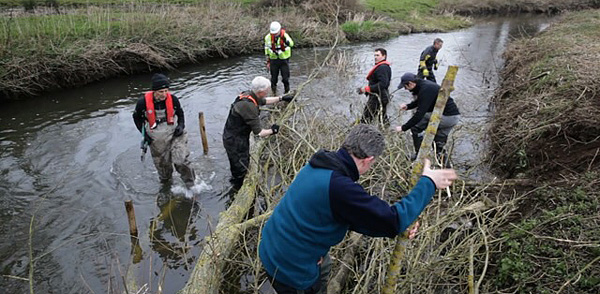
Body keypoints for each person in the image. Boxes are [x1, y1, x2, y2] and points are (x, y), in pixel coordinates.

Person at [259, 124, 457, 294]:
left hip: (271, 246)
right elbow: (392, 220)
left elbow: (346, 214)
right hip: (289, 270)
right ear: (368, 160)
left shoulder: (320, 163)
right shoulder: (339, 187)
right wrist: (429, 182)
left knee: (324, 265)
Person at [222, 76, 295, 187]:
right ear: (260, 92)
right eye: (267, 90)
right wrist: (273, 130)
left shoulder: (249, 94)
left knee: (242, 161)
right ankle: (237, 189)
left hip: (234, 135)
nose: (268, 92)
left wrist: (282, 98)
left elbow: (264, 101)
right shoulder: (248, 106)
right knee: (240, 167)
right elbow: (259, 133)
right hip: (235, 141)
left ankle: (238, 181)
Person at [132, 73, 196, 188]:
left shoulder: (174, 100)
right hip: (156, 137)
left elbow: (180, 113)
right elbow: (137, 118)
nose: (164, 94)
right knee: (163, 166)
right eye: (161, 92)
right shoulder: (142, 103)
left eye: (166, 91)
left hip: (174, 132)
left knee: (180, 160)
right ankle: (167, 186)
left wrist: (181, 126)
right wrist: (144, 135)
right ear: (154, 91)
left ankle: (191, 186)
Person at [395, 72, 460, 164]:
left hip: (446, 117)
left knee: (415, 127)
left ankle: (418, 155)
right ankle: (446, 168)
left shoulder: (425, 89)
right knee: (438, 146)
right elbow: (421, 101)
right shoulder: (424, 85)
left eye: (405, 87)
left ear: (411, 83)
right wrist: (408, 106)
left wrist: (403, 127)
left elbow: (420, 113)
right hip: (453, 117)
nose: (406, 89)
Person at [357, 48, 391, 125]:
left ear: (384, 56)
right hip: (381, 96)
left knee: (366, 119)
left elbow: (383, 84)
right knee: (382, 118)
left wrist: (368, 89)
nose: (375, 57)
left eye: (378, 55)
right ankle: (386, 131)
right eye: (374, 55)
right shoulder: (383, 66)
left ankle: (362, 134)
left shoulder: (382, 68)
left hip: (378, 98)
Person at [264, 21, 295, 94]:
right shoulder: (268, 37)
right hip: (273, 60)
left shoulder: (285, 36)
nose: (274, 34)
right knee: (273, 79)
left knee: (285, 79)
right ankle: (274, 93)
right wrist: (268, 61)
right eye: (273, 33)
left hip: (284, 60)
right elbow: (266, 49)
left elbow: (291, 44)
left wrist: (286, 41)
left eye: (276, 33)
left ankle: (287, 93)